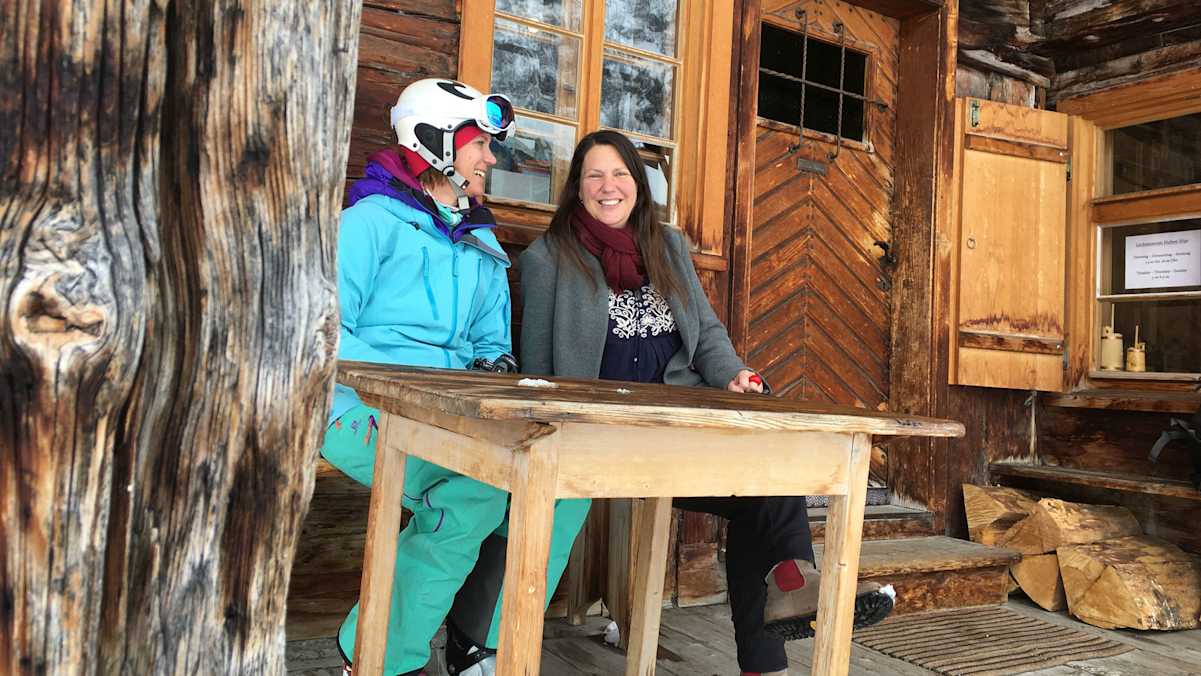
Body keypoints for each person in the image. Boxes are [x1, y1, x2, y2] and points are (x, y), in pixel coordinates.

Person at [517, 129, 895, 676]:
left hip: (683, 421)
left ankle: (781, 614)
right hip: (603, 434)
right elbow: (536, 368)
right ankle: (791, 587)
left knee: (768, 482)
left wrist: (734, 374)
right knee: (765, 498)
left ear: (638, 185)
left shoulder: (666, 247)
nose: (608, 186)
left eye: (620, 174)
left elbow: (708, 333)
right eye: (594, 175)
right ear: (577, 188)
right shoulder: (549, 258)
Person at [322, 78, 591, 676]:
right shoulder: (369, 223)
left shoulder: (481, 242)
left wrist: (494, 378)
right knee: (471, 492)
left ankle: (482, 643)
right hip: (356, 405)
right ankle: (376, 657)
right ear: (437, 140)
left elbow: (492, 347)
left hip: (449, 412)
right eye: (480, 145)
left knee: (565, 485)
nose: (490, 159)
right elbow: (325, 331)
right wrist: (410, 385)